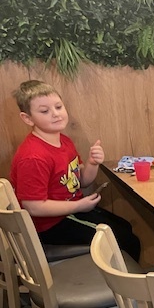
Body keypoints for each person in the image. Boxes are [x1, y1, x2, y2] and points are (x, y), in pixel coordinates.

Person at [9, 80, 141, 261]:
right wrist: (79, 206)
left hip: (70, 211)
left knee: (125, 227)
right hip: (49, 226)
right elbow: (33, 207)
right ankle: (122, 280)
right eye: (44, 111)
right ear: (27, 118)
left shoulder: (64, 141)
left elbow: (82, 182)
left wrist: (92, 163)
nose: (56, 114)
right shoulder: (33, 157)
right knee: (127, 241)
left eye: (58, 107)